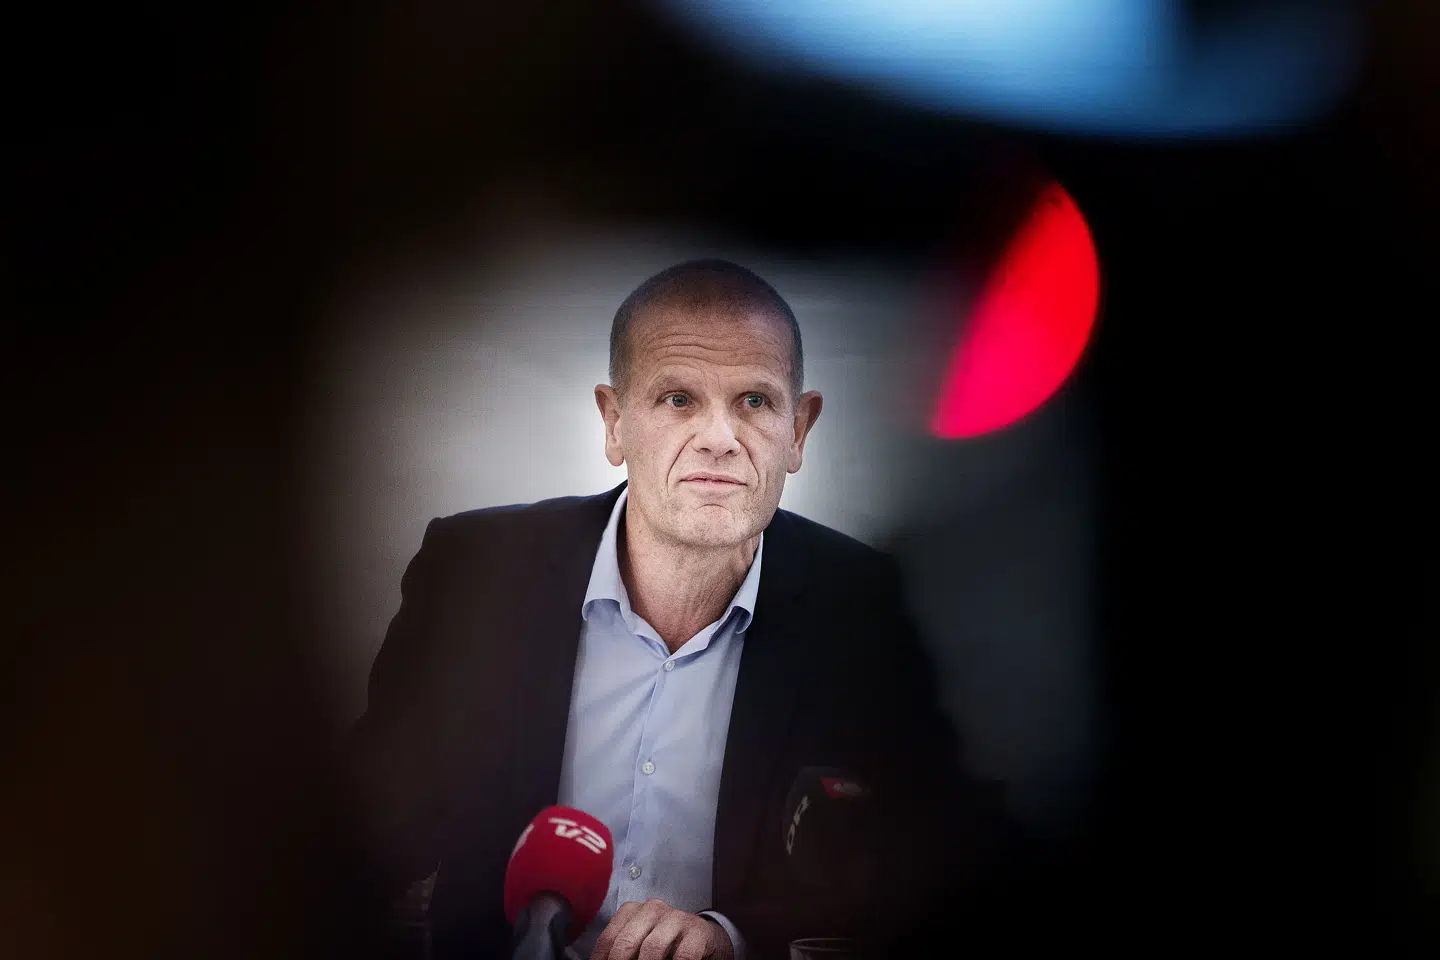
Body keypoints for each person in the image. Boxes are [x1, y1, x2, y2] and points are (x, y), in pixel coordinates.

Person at [350, 259, 980, 960]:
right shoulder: (472, 573)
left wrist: (733, 939)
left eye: (754, 401)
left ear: (799, 431)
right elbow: (368, 839)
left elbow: (923, 871)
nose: (719, 437)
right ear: (614, 423)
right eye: (678, 399)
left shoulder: (869, 607)